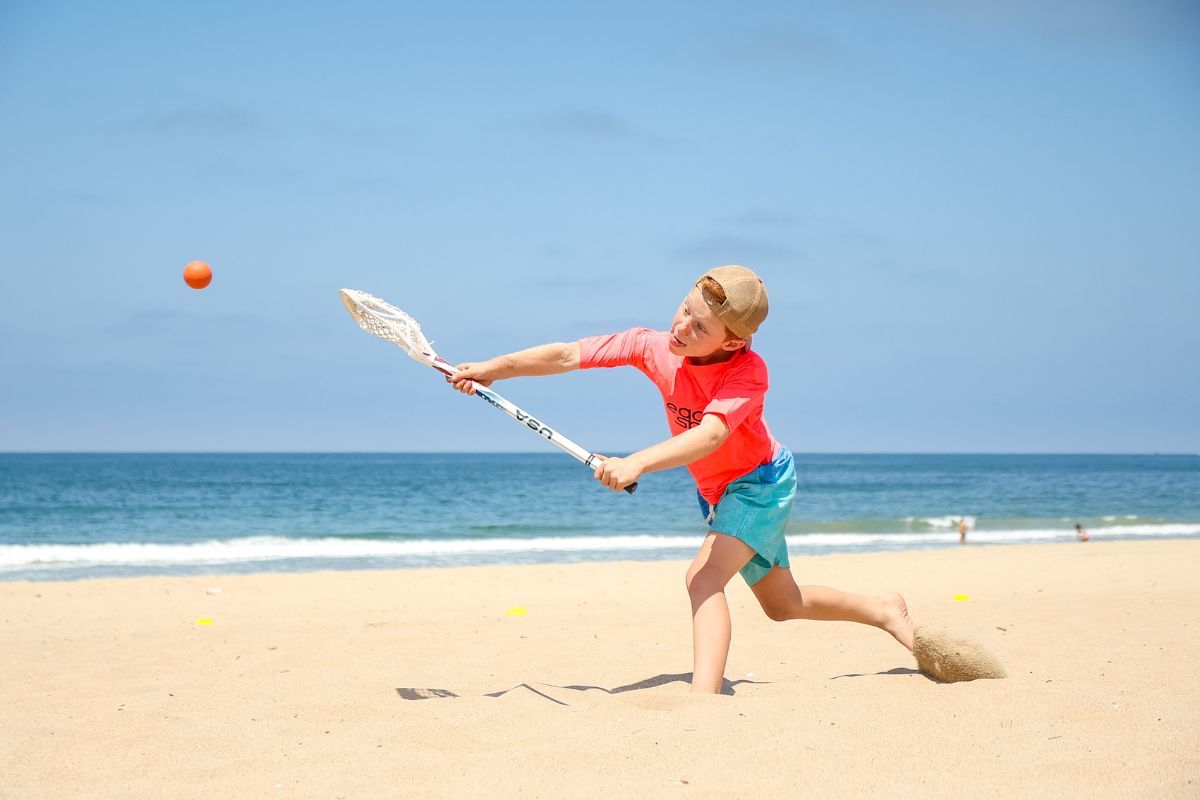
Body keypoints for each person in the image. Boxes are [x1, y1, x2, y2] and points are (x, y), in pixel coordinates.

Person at [449, 265, 914, 694]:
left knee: (702, 578)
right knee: (783, 604)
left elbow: (711, 434)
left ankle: (703, 702)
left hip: (760, 484)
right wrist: (493, 370)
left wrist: (637, 463)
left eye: (699, 328)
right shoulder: (653, 346)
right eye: (685, 309)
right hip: (718, 492)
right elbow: (569, 354)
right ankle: (882, 609)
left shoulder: (748, 372)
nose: (681, 328)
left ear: (732, 342)